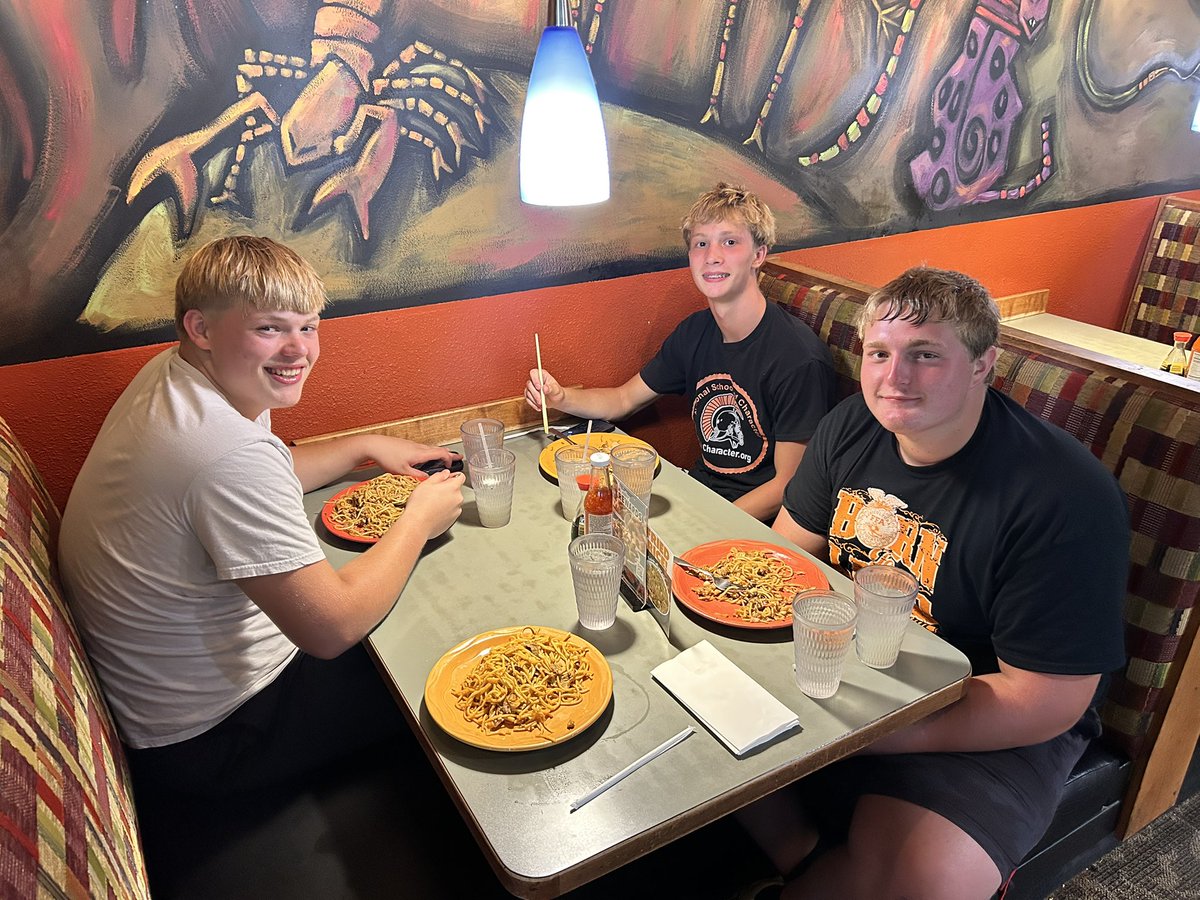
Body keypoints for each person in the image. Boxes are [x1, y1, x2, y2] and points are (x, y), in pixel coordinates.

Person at [741, 267, 1129, 899]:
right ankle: (804, 856)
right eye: (879, 354)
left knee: (921, 883)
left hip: (989, 707)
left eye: (926, 355)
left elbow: (1047, 700)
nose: (895, 378)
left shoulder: (1064, 497)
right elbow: (787, 553)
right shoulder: (850, 426)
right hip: (854, 667)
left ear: (983, 364)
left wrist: (874, 733)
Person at [58, 235, 465, 798]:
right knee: (439, 651)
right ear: (201, 329)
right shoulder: (221, 451)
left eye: (309, 326)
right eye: (270, 328)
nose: (298, 350)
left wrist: (364, 445)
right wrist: (419, 520)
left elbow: (267, 471)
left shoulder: (178, 377)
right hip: (218, 739)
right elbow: (331, 627)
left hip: (176, 711)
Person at [524, 183, 835, 521]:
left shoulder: (798, 358)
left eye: (730, 242)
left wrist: (704, 525)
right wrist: (558, 397)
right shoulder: (694, 332)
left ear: (758, 254)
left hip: (753, 523)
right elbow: (623, 400)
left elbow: (787, 486)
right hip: (697, 494)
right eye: (701, 243)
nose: (712, 256)